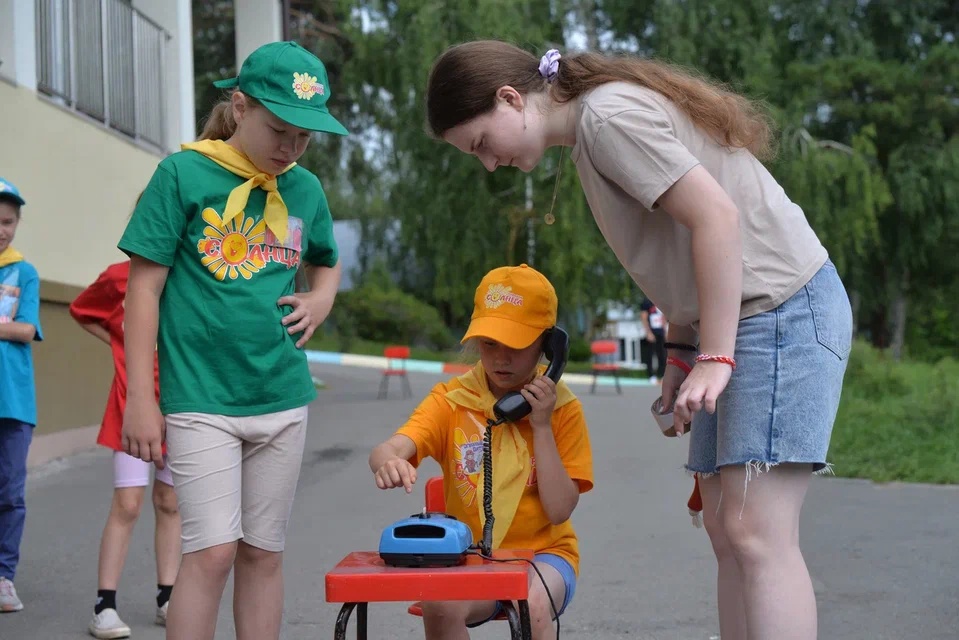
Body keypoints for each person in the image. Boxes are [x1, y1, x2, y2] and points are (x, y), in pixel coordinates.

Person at [426, 41, 853, 640]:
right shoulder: (591, 135)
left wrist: (716, 356)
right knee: (726, 531)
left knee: (757, 534)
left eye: (480, 144)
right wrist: (681, 353)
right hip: (734, 318)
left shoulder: (608, 119)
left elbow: (717, 220)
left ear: (510, 98)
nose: (489, 163)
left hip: (778, 310)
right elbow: (681, 250)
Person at [118, 41, 345, 640]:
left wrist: (322, 297)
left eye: (304, 137)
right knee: (213, 552)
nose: (290, 148)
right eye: (280, 130)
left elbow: (325, 262)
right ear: (240, 107)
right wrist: (141, 398)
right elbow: (142, 292)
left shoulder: (305, 189)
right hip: (201, 398)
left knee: (263, 554)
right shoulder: (182, 173)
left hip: (281, 397)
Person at [369, 264, 594, 640]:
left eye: (516, 346)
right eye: (490, 344)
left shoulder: (563, 410)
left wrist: (540, 425)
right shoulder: (452, 401)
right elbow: (390, 447)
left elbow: (559, 510)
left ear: (548, 346)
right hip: (474, 558)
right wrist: (388, 461)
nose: (501, 359)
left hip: (544, 556)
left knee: (530, 602)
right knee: (437, 602)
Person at [69, 255, 180, 638]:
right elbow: (82, 310)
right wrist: (120, 341)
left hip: (181, 406)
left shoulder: (193, 275)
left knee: (171, 502)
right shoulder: (120, 277)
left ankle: (168, 597)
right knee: (128, 504)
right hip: (131, 407)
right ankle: (104, 605)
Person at [0, 177, 42, 614]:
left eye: (8, 222)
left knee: (9, 492)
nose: (2, 230)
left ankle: (3, 576)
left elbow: (25, 330)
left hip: (13, 403)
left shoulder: (23, 272)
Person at [639, 296, 666, 383]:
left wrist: (665, 331)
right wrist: (648, 332)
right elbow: (643, 317)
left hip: (660, 332)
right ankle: (651, 375)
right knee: (650, 355)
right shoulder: (647, 302)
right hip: (651, 332)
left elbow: (664, 317)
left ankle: (661, 375)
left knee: (662, 355)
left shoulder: (662, 301)